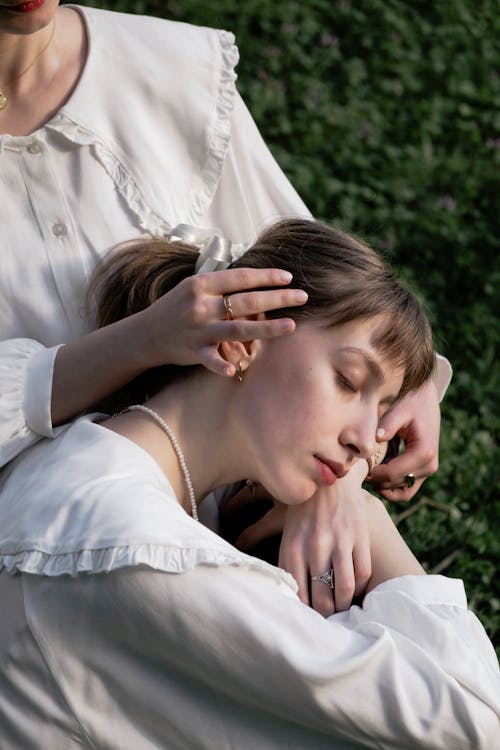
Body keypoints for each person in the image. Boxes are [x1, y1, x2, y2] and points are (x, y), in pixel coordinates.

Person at [0, 0, 451, 608]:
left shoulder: (169, 69)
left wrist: (338, 473)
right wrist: (142, 338)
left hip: (236, 527)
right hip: (50, 565)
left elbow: (316, 293)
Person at [0, 219, 498, 749]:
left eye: (381, 409)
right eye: (348, 381)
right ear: (245, 336)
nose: (366, 445)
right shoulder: (146, 551)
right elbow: (474, 725)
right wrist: (374, 522)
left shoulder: (92, 456)